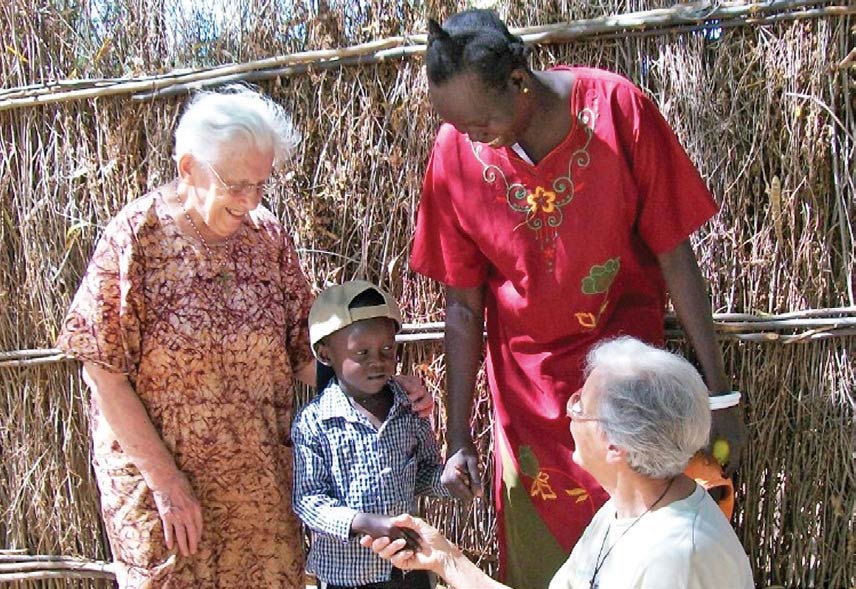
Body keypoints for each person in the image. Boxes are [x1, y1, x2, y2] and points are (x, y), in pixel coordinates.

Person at [411, 9, 748, 586]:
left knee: (647, 552)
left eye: (481, 123)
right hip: (527, 407)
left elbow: (677, 257)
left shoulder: (619, 111)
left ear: (519, 82)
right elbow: (463, 307)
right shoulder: (455, 153)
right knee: (541, 562)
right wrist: (461, 437)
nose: (470, 139)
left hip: (625, 403)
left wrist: (719, 395)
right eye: (458, 127)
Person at [56, 86, 433, 588]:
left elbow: (309, 356)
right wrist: (168, 484)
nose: (251, 199)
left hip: (259, 493)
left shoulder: (266, 238)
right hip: (166, 499)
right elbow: (102, 371)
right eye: (236, 184)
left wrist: (388, 387)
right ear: (188, 168)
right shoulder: (135, 239)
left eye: (260, 184)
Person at [361, 337, 755, 589]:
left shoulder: (675, 560)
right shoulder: (625, 509)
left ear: (616, 445)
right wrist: (445, 558)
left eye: (581, 405)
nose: (570, 412)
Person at [293, 280, 449, 589]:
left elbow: (424, 472)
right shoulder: (315, 423)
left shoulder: (409, 409)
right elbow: (308, 501)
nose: (377, 361)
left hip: (409, 567)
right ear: (325, 355)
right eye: (361, 352)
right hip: (348, 577)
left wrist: (449, 481)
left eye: (387, 349)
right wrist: (363, 523)